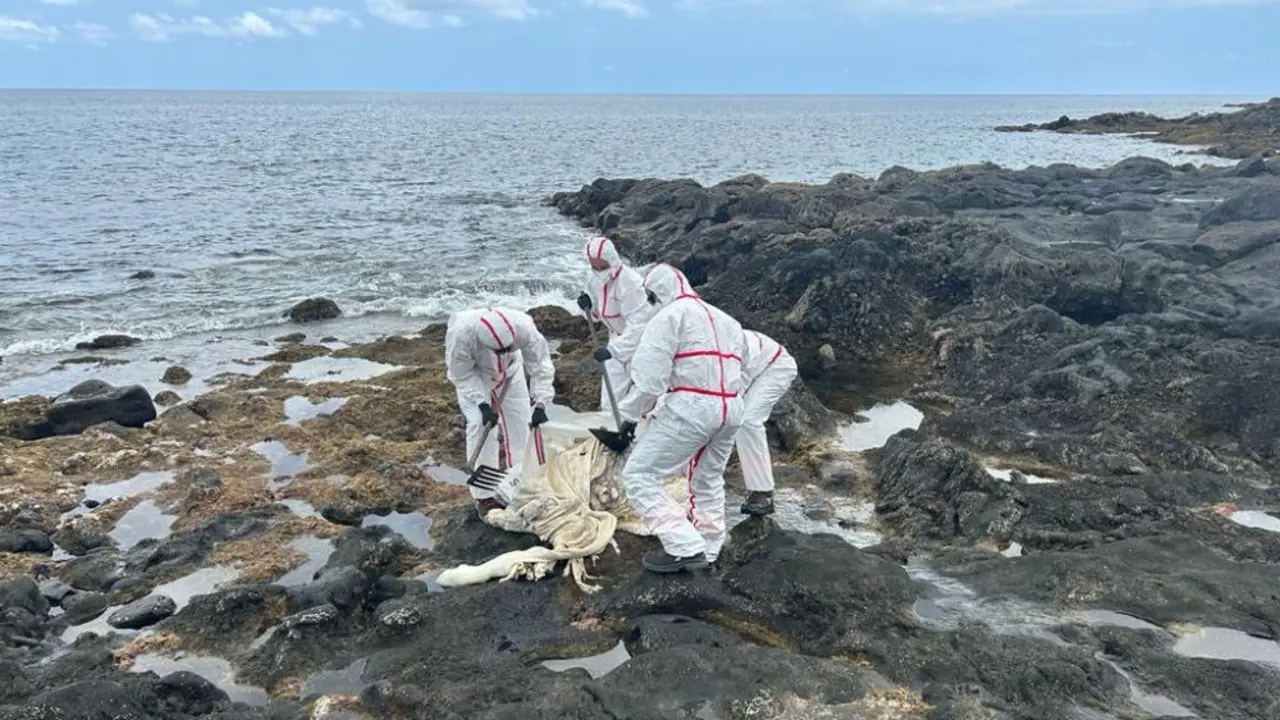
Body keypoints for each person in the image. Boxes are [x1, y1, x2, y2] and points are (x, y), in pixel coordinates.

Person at [602, 262, 747, 574]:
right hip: (732, 408)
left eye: (651, 296)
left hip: (691, 408)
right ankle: (709, 546)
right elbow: (739, 371)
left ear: (659, 293)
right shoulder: (728, 321)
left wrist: (627, 418)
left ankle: (684, 546)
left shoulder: (669, 317)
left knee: (640, 475)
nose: (650, 303)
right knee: (706, 479)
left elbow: (650, 380)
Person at [445, 306, 555, 515]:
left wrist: (541, 402)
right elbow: (461, 375)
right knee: (480, 424)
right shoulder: (460, 335)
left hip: (512, 372)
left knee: (521, 422)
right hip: (477, 376)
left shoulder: (525, 327)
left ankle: (520, 482)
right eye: (499, 351)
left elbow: (541, 365)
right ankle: (484, 496)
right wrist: (483, 404)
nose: (503, 352)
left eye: (508, 347)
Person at [576, 236, 654, 414]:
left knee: (642, 398)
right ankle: (610, 429)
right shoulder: (593, 278)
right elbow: (597, 314)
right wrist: (588, 306)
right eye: (594, 266)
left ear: (612, 260)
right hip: (615, 340)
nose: (598, 271)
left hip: (640, 347)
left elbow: (639, 327)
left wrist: (615, 350)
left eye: (602, 267)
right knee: (609, 400)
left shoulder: (631, 284)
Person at [735, 329, 798, 516]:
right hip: (752, 367)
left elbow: (730, 393)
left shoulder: (727, 348)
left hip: (775, 366)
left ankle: (762, 492)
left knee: (747, 420)